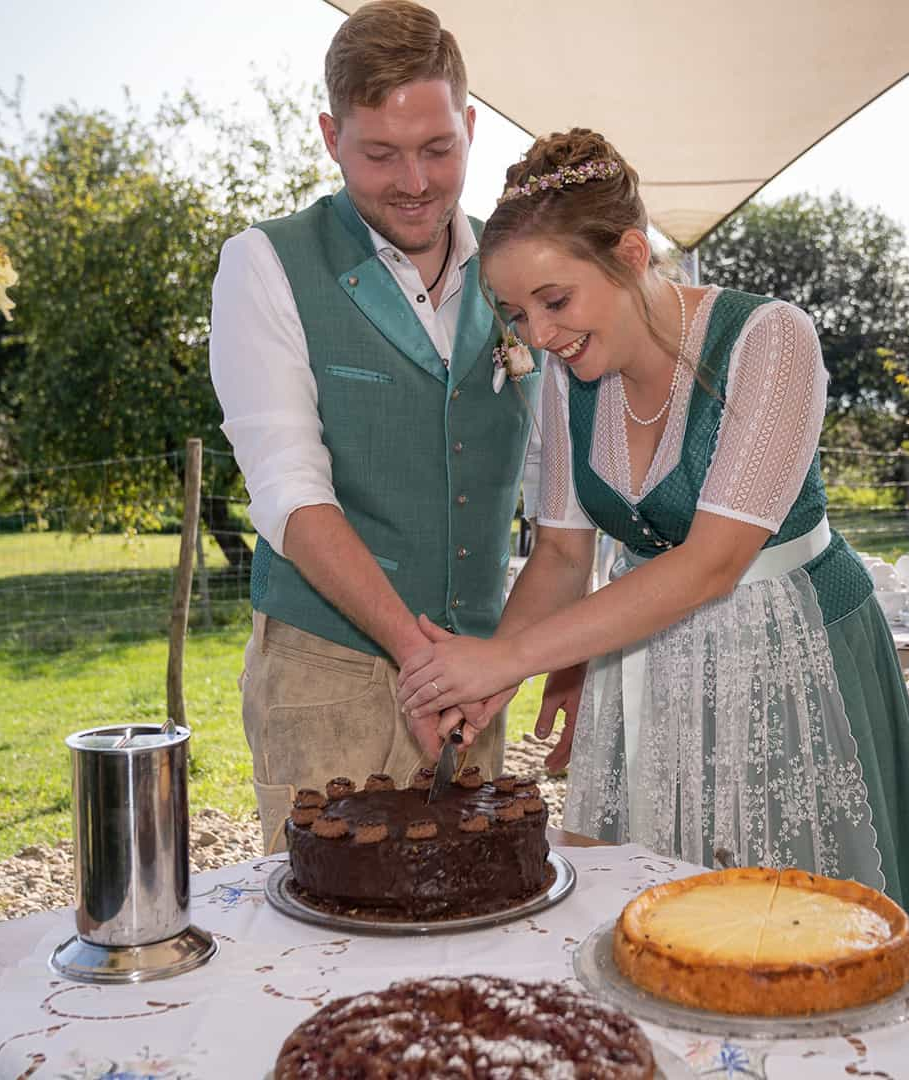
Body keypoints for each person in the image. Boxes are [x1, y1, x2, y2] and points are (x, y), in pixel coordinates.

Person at [396, 130, 909, 932]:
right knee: (662, 924)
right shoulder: (567, 377)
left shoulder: (768, 340)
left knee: (798, 928)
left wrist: (514, 652)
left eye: (556, 301)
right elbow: (560, 553)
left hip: (792, 658)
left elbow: (710, 565)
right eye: (518, 313)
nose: (540, 334)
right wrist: (493, 681)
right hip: (652, 662)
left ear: (631, 254)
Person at [208, 0, 534, 853]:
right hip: (327, 674)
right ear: (329, 135)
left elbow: (562, 484)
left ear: (469, 125)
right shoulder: (265, 264)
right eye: (380, 153)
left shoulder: (516, 271)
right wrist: (418, 660)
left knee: (469, 917)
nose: (415, 182)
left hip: (474, 677)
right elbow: (289, 491)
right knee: (328, 933)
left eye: (438, 149)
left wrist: (528, 652)